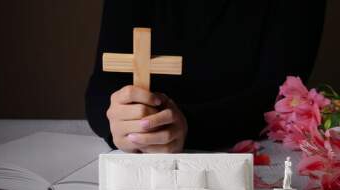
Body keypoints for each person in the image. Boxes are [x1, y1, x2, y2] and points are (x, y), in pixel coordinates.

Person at [85, 0, 326, 153]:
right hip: (141, 151)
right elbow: (104, 82)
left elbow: (278, 93)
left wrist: (186, 126)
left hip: (235, 148)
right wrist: (118, 116)